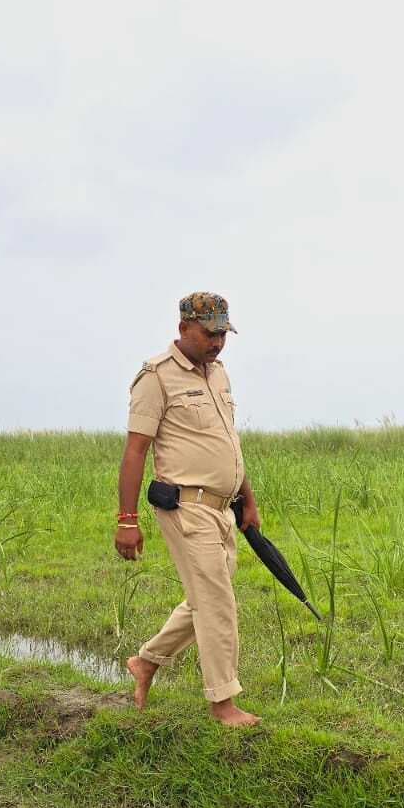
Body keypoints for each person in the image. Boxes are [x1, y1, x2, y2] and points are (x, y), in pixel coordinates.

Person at [115, 292, 261, 727]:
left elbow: (227, 441)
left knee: (208, 596)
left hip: (222, 508)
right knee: (217, 603)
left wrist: (246, 496)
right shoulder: (156, 378)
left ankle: (146, 661)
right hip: (186, 507)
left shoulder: (218, 375)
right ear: (184, 329)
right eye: (209, 333)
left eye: (223, 334)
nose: (217, 343)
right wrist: (127, 520)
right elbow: (135, 450)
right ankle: (223, 702)